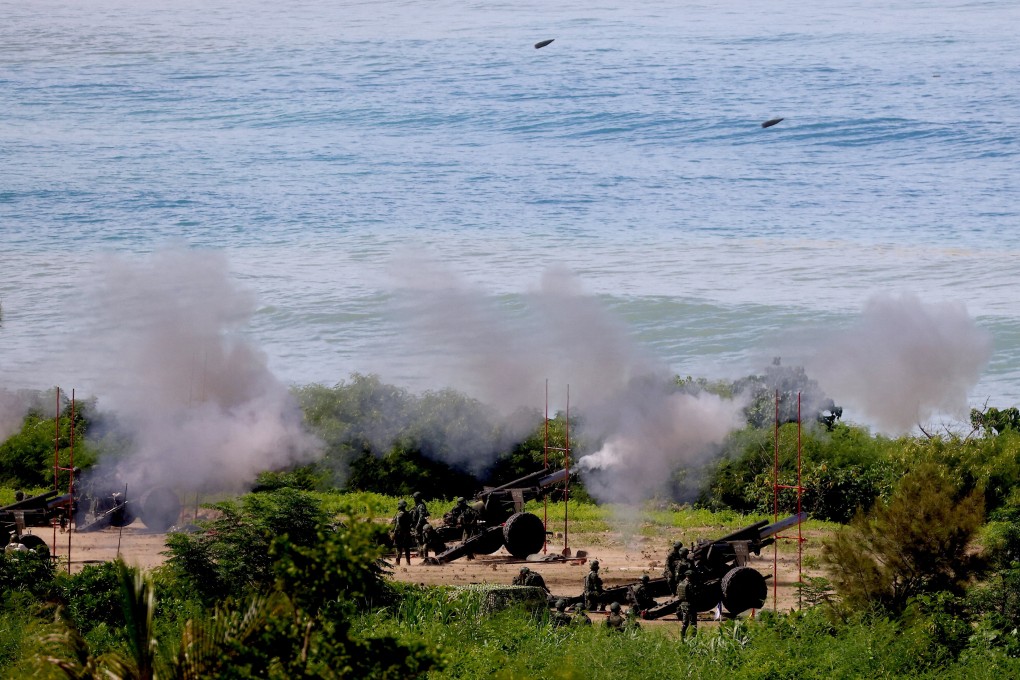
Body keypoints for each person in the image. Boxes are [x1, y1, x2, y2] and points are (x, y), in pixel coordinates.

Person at [677, 570, 700, 640]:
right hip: (690, 606)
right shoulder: (690, 585)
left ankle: (682, 637)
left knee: (685, 623)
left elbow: (678, 595)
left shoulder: (681, 584)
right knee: (693, 623)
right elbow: (693, 594)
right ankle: (693, 638)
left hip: (683, 605)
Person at [391, 499, 413, 566]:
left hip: (399, 533)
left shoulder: (399, 515)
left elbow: (397, 525)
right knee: (407, 548)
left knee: (398, 547)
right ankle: (408, 562)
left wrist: (394, 533)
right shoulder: (408, 514)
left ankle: (397, 562)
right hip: (407, 533)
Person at [411, 492, 430, 556]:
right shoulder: (417, 505)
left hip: (421, 526)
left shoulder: (421, 506)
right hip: (417, 525)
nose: (414, 499)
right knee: (418, 540)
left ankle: (424, 556)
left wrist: (417, 526)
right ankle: (421, 554)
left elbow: (421, 517)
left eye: (415, 498)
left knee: (423, 541)